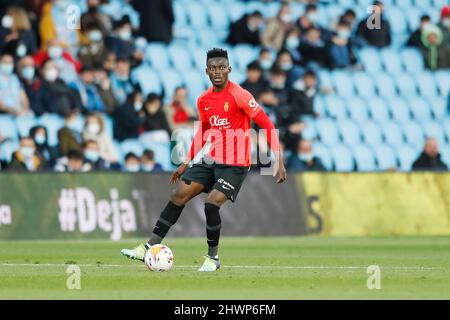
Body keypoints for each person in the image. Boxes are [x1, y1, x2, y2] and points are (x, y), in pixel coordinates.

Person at [121, 48, 287, 272]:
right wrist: (186, 162)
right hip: (210, 160)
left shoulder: (241, 96)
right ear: (206, 71)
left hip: (235, 164)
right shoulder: (204, 100)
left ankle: (212, 258)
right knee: (178, 195)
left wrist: (279, 159)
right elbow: (203, 133)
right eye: (213, 68)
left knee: (211, 202)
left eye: (221, 67)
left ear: (229, 69)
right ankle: (148, 247)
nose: (217, 71)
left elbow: (267, 124)